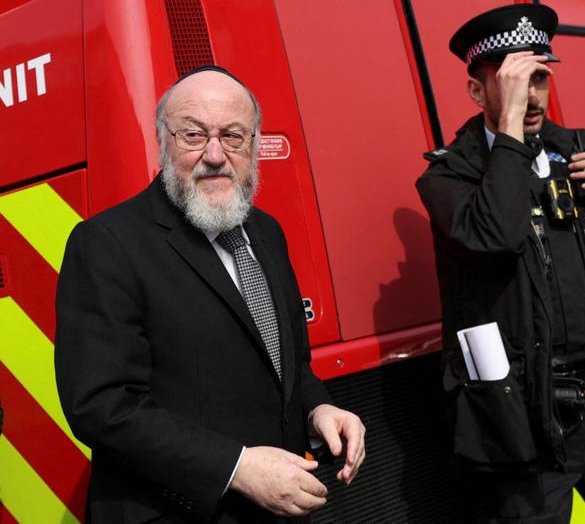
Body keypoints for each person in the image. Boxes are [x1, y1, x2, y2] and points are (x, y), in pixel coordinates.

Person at [416, 3, 585, 523]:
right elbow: (496, 237)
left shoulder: (581, 154)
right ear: (477, 92)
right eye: (516, 81)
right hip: (522, 415)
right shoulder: (448, 178)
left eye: (540, 78)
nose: (533, 96)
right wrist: (510, 132)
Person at [55, 66, 365, 524]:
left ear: (253, 146)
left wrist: (318, 408)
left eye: (233, 136)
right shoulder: (106, 243)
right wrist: (236, 468)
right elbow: (103, 407)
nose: (215, 155)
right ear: (163, 141)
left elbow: (289, 364)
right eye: (194, 135)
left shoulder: (266, 232)